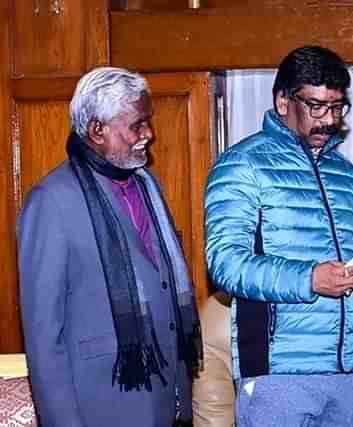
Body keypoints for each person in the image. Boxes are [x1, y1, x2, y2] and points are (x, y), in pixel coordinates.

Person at [204, 46, 353, 427]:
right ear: (283, 101)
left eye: (337, 108)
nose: (328, 120)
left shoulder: (345, 174)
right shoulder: (242, 165)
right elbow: (224, 264)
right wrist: (310, 278)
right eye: (316, 106)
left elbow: (346, 265)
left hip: (342, 367)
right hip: (277, 371)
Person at [17, 67, 202, 427]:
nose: (148, 134)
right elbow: (43, 340)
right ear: (97, 129)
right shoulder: (51, 202)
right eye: (136, 124)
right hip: (100, 407)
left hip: (164, 405)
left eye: (148, 122)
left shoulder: (148, 186)